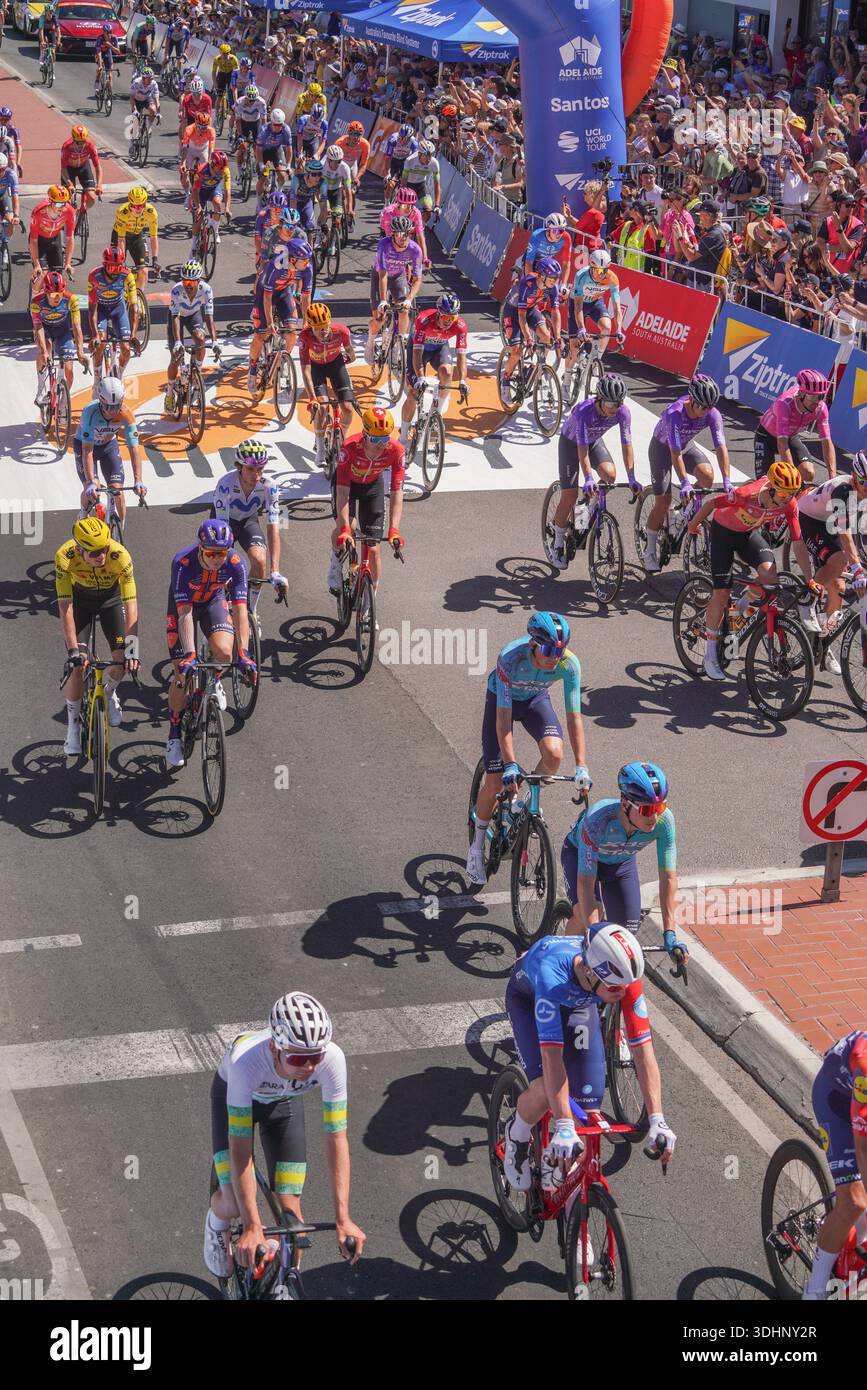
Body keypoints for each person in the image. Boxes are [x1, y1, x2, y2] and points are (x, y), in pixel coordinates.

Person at [203, 991, 365, 1284]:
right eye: (299, 1058)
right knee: (235, 1204)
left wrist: (344, 1217)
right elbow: (240, 1150)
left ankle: (285, 1286)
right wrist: (253, 1225)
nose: (310, 1067)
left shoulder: (333, 1060)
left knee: (293, 1220)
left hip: (283, 1104)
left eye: (315, 1056)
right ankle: (216, 1223)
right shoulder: (246, 1062)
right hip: (237, 1099)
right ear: (275, 1048)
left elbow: (336, 1138)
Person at [503, 924, 675, 1192]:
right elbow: (552, 1057)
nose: (622, 993)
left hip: (580, 1002)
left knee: (587, 1112)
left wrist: (657, 1119)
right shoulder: (552, 976)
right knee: (544, 1090)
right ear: (589, 970)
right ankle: (518, 1133)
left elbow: (643, 1051)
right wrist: (562, 1124)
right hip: (530, 998)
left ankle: (577, 1227)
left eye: (625, 985)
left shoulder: (622, 979)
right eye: (614, 987)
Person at [466, 612, 589, 886]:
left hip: (535, 700)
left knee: (555, 755)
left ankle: (523, 805)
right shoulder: (511, 658)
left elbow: (573, 717)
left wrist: (582, 765)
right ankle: (475, 848)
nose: (554, 657)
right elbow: (503, 720)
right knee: (496, 780)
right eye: (547, 650)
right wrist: (509, 763)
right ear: (533, 644)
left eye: (560, 650)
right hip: (502, 702)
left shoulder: (569, 664)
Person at [687, 459, 820, 681]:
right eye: (785, 494)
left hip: (747, 535)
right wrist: (693, 525)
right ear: (771, 489)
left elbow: (798, 543)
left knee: (770, 576)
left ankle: (740, 608)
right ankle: (710, 655)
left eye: (792, 493)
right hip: (724, 534)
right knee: (722, 592)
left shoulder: (789, 504)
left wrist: (810, 579)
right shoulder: (746, 494)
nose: (788, 499)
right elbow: (711, 504)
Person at [562, 762, 686, 964]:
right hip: (580, 858)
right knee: (587, 915)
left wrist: (670, 932)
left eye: (660, 807)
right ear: (625, 804)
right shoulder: (598, 820)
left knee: (627, 935)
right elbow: (585, 883)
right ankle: (565, 961)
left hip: (620, 865)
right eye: (647, 810)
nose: (655, 817)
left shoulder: (664, 822)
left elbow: (668, 878)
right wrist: (595, 935)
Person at [164, 519, 255, 770]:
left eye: (222, 553)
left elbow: (240, 612)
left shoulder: (236, 564)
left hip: (212, 602)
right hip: (184, 608)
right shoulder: (182, 562)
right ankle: (173, 732)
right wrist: (190, 654)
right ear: (200, 548)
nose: (217, 559)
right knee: (181, 674)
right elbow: (184, 614)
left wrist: (244, 654)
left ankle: (214, 680)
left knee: (225, 652)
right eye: (212, 553)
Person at [55, 517, 139, 755]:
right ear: (79, 549)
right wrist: (73, 651)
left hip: (110, 601)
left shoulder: (120, 555)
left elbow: (131, 604)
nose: (100, 556)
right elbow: (65, 606)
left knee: (121, 659)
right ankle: (72, 725)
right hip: (79, 602)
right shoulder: (64, 556)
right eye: (93, 553)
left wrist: (133, 650)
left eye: (103, 549)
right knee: (79, 667)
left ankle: (110, 693)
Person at [642, 375, 733, 574]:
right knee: (662, 502)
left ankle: (682, 512)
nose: (705, 412)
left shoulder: (712, 413)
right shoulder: (675, 413)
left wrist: (726, 479)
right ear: (691, 400)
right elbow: (675, 455)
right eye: (701, 407)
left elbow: (721, 447)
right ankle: (649, 549)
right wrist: (684, 482)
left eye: (709, 407)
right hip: (662, 449)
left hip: (686, 446)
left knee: (708, 477)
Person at [802, 1029, 867, 1299]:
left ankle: (851, 1249)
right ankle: (815, 1290)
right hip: (836, 1098)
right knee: (855, 1203)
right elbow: (861, 1146)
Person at [551, 373, 638, 570]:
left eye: (618, 403)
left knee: (610, 475)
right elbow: (581, 451)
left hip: (593, 441)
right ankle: (557, 542)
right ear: (599, 398)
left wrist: (632, 477)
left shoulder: (622, 412)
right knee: (569, 495)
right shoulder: (583, 412)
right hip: (571, 444)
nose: (613, 409)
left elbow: (627, 445)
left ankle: (586, 507)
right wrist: (589, 478)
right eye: (609, 404)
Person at [792, 451, 867, 664]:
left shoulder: (860, 490)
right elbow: (845, 537)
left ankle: (821, 642)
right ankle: (809, 598)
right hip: (809, 518)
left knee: (840, 590)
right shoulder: (843, 491)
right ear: (855, 477)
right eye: (865, 484)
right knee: (839, 561)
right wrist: (858, 570)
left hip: (830, 523)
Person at [327, 406, 405, 601]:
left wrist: (394, 530)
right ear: (364, 434)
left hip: (372, 487)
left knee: (373, 548)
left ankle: (369, 605)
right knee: (349, 528)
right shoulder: (349, 447)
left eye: (385, 439)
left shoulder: (396, 451)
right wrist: (344, 528)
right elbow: (343, 491)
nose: (381, 445)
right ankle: (335, 564)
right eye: (376, 439)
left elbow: (397, 492)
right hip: (348, 486)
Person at [212, 439, 287, 612]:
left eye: (261, 469)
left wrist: (275, 571)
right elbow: (224, 532)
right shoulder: (225, 484)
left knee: (260, 561)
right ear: (238, 467)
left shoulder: (271, 486)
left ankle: (251, 612)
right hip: (224, 524)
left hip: (248, 521)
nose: (256, 475)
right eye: (251, 469)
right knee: (222, 570)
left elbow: (276, 526)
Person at [74, 376, 146, 529]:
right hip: (85, 446)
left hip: (108, 447)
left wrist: (138, 480)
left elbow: (134, 449)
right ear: (101, 401)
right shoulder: (89, 413)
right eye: (108, 407)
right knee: (93, 488)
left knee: (118, 491)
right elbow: (87, 450)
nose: (113, 411)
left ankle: (120, 530)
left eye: (117, 406)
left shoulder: (126, 414)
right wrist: (90, 482)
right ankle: (82, 515)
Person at [249, 229, 312, 395]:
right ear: (292, 259)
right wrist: (269, 323)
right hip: (265, 294)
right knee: (260, 335)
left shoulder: (307, 269)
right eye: (303, 260)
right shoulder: (275, 265)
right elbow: (267, 298)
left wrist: (307, 320)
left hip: (284, 291)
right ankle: (253, 367)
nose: (307, 263)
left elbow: (306, 297)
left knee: (292, 332)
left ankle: (284, 359)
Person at [400, 292, 468, 444]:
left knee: (447, 372)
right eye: (445, 317)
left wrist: (463, 381)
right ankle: (403, 435)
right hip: (420, 349)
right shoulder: (423, 320)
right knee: (413, 393)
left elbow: (461, 355)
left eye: (452, 318)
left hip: (439, 348)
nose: (448, 322)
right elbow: (417, 353)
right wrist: (421, 377)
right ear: (438, 313)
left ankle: (435, 416)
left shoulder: (461, 326)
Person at [754, 368, 836, 487]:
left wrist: (832, 477)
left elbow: (827, 442)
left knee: (808, 473)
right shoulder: (785, 404)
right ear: (801, 394)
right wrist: (791, 479)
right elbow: (782, 443)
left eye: (821, 396)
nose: (817, 402)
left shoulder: (821, 408)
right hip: (766, 437)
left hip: (790, 437)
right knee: (764, 484)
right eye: (813, 397)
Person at [298, 302, 356, 468]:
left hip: (335, 365)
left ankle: (342, 440)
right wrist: (311, 399)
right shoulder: (305, 337)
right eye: (318, 328)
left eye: (325, 326)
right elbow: (306, 370)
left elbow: (350, 351)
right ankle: (321, 449)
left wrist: (351, 356)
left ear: (330, 322)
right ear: (310, 327)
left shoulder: (342, 331)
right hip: (316, 368)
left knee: (347, 408)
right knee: (322, 407)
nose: (322, 332)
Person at [499, 256, 562, 393]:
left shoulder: (552, 288)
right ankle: (505, 379)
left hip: (531, 309)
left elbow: (556, 313)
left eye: (555, 279)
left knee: (546, 336)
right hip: (513, 312)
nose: (554, 282)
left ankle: (539, 366)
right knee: (516, 351)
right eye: (551, 278)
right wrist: (528, 338)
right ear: (541, 276)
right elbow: (521, 315)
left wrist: (558, 337)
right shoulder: (527, 284)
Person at [366, 215, 423, 365]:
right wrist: (383, 300)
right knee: (379, 318)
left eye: (406, 234)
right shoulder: (384, 244)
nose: (403, 237)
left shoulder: (415, 249)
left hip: (398, 276)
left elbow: (417, 280)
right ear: (393, 234)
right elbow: (383, 275)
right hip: (379, 276)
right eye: (399, 234)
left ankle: (399, 343)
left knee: (404, 310)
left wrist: (409, 299)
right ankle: (371, 341)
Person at [164, 260, 217, 416]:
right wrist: (178, 342)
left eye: (191, 282)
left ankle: (196, 371)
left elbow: (209, 316)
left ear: (198, 281)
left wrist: (214, 340)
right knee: (175, 356)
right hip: (177, 317)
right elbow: (175, 316)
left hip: (194, 315)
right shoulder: (176, 290)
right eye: (185, 281)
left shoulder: (206, 290)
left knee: (201, 339)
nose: (187, 285)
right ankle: (169, 392)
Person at [31, 270, 88, 405]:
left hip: (62, 331)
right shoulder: (36, 302)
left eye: (60, 293)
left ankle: (63, 401)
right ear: (45, 292)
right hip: (44, 330)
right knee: (44, 350)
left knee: (68, 368)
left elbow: (76, 326)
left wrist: (80, 351)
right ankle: (41, 389)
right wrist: (45, 351)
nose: (57, 298)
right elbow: (38, 327)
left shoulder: (71, 299)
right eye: (53, 294)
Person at [566, 247, 623, 372]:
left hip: (594, 302)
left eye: (603, 271)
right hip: (577, 304)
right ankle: (567, 380)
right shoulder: (581, 275)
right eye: (597, 271)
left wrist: (619, 329)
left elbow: (616, 307)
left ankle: (597, 361)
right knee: (574, 348)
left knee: (607, 327)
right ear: (591, 267)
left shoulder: (612, 278)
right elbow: (578, 306)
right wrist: (581, 328)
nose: (600, 275)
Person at [87, 245, 139, 378]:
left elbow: (134, 307)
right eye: (111, 268)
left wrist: (133, 335)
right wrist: (95, 335)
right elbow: (92, 308)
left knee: (126, 349)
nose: (115, 272)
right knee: (100, 344)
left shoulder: (127, 276)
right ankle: (97, 380)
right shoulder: (94, 276)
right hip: (101, 309)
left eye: (118, 268)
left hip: (118, 309)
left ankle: (119, 376)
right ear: (104, 265)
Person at [111, 186, 159, 296]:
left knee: (144, 270)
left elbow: (153, 237)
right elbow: (121, 239)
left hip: (137, 236)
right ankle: (117, 297)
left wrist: (155, 259)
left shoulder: (151, 213)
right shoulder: (122, 212)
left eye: (141, 206)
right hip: (120, 236)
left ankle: (138, 297)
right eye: (134, 206)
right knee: (116, 269)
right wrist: (121, 261)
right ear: (129, 204)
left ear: (145, 203)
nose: (137, 209)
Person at [29, 184, 75, 277]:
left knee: (57, 278)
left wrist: (68, 263)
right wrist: (36, 264)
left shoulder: (70, 211)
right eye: (59, 204)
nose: (62, 207)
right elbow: (33, 240)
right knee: (42, 274)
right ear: (50, 201)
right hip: (39, 242)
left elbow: (70, 238)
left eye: (64, 203)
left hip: (55, 240)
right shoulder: (38, 212)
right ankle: (35, 291)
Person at [191, 149, 231, 252]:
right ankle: (193, 247)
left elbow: (227, 190)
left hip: (214, 189)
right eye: (220, 168)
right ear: (213, 164)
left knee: (217, 203)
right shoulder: (201, 171)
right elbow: (195, 190)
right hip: (201, 192)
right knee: (198, 217)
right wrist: (198, 206)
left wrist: (227, 208)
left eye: (224, 168)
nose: (222, 170)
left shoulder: (225, 170)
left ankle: (215, 230)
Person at [60, 127, 103, 216]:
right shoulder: (66, 147)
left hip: (83, 168)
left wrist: (99, 185)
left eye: (83, 142)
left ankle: (79, 213)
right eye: (78, 142)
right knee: (66, 199)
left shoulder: (90, 145)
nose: (81, 145)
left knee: (91, 198)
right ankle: (69, 217)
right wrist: (69, 184)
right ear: (73, 139)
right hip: (69, 169)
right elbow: (63, 169)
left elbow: (98, 167)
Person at [401, 140, 441, 224]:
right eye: (426, 155)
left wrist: (437, 205)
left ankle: (417, 230)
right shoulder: (410, 160)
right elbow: (403, 181)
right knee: (404, 210)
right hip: (408, 186)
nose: (429, 159)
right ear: (419, 154)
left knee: (428, 210)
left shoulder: (434, 163)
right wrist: (403, 198)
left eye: (431, 155)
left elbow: (437, 185)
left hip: (421, 186)